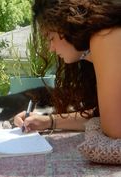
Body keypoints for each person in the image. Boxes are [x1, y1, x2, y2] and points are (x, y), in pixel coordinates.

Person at [14, 0, 121, 139]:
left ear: (68, 25)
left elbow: (114, 128)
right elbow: (103, 116)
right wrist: (49, 121)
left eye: (51, 38)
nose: (51, 48)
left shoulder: (106, 37)